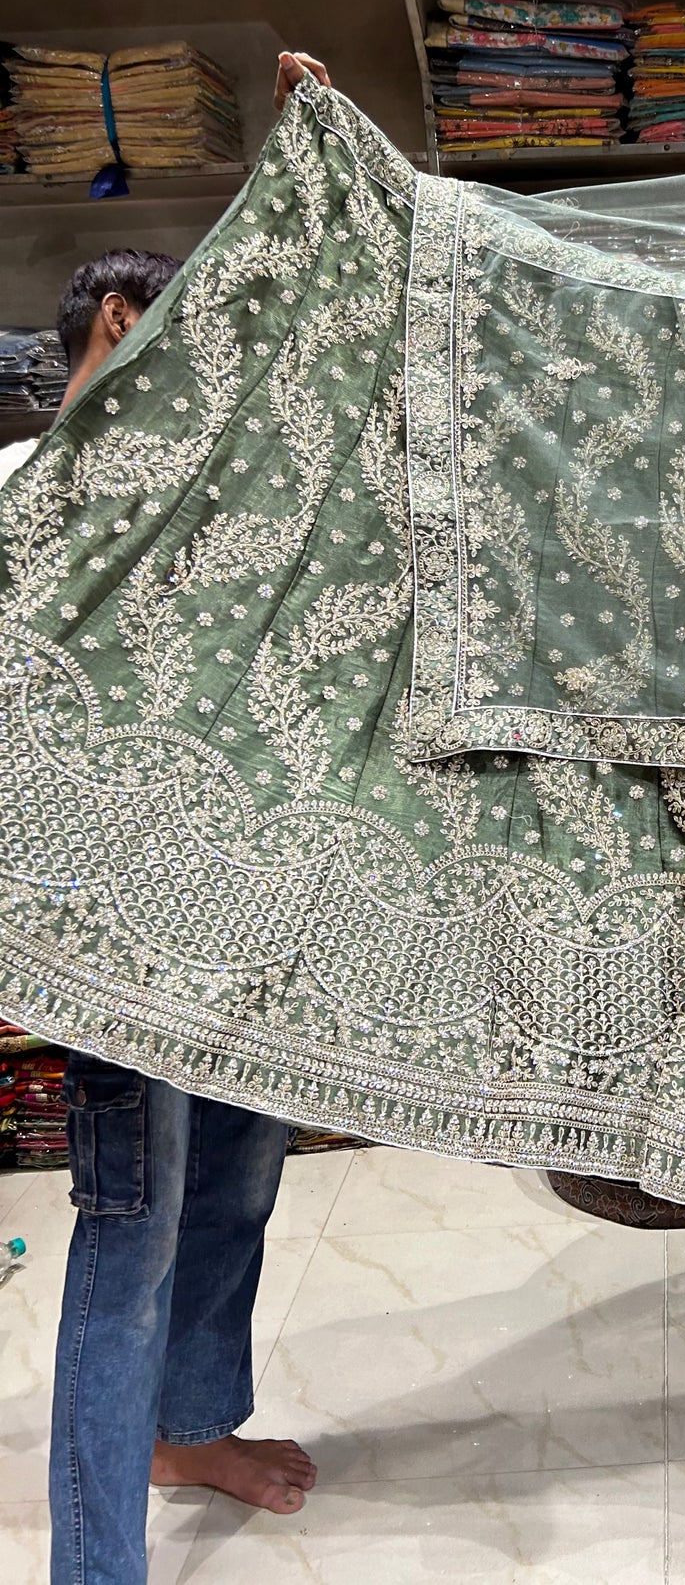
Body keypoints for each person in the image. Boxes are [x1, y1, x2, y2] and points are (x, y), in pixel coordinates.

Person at [0, 251, 319, 1585]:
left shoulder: (194, 486)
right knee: (133, 1226)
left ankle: (182, 1431)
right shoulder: (26, 498)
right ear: (123, 324)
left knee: (239, 1179)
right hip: (107, 928)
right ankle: (95, 1566)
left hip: (229, 898)